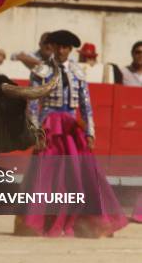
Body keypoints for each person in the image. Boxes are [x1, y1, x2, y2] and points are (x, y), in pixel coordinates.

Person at [14, 30, 128, 238]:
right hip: (49, 126)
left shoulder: (77, 71)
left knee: (78, 176)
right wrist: (35, 132)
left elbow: (86, 105)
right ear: (52, 47)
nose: (61, 50)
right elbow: (32, 104)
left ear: (70, 49)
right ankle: (43, 221)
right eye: (58, 46)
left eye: (65, 47)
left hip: (71, 128)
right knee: (47, 175)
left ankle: (83, 222)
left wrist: (90, 131)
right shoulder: (41, 70)